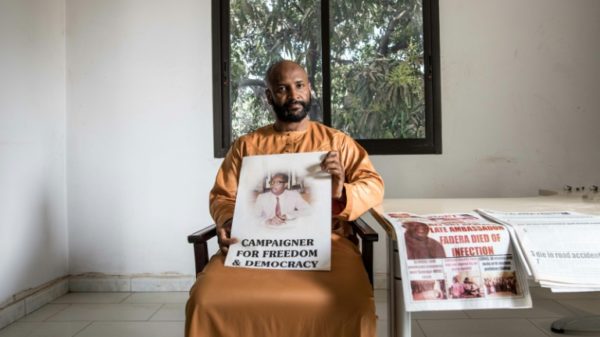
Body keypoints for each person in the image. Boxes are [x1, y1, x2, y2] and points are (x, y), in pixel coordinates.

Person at [185, 60, 384, 337]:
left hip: (328, 243)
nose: (293, 95)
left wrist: (340, 192)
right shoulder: (247, 146)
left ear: (309, 89)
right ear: (269, 96)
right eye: (282, 89)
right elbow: (223, 195)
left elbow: (373, 185)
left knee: (355, 304)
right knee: (204, 300)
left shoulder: (337, 142)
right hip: (255, 246)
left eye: (299, 86)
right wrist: (231, 221)